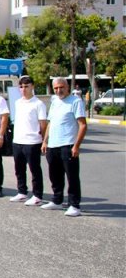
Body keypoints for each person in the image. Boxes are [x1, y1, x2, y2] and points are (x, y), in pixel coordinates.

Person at [41, 77, 87, 217]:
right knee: (55, 175)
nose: (58, 90)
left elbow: (82, 125)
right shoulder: (55, 101)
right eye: (56, 88)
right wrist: (45, 141)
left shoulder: (76, 101)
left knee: (72, 177)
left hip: (68, 145)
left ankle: (74, 205)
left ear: (67, 87)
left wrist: (76, 146)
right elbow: (50, 123)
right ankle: (57, 200)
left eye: (61, 87)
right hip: (53, 145)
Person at [10, 75, 47, 205]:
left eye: (26, 86)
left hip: (33, 142)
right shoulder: (18, 103)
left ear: (32, 87)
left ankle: (37, 195)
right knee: (19, 169)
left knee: (34, 170)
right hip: (18, 140)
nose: (24, 89)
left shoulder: (38, 104)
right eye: (21, 87)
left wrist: (44, 140)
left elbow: (43, 123)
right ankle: (22, 192)